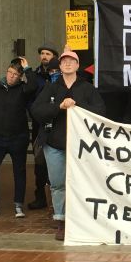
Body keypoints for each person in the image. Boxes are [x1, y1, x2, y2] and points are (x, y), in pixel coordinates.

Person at [30, 49, 106, 241]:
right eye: (64, 61)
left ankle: (83, 220)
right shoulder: (50, 87)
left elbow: (101, 112)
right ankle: (61, 221)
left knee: (83, 182)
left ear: (78, 65)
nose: (67, 63)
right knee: (57, 184)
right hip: (54, 144)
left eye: (72, 60)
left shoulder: (87, 88)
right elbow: (36, 111)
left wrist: (77, 105)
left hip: (82, 147)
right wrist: (59, 107)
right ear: (60, 66)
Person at [0, 60, 35, 219]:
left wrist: (27, 69)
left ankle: (19, 204)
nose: (11, 76)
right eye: (10, 72)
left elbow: (34, 86)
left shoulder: (23, 89)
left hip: (18, 137)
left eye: (16, 75)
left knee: (19, 171)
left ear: (20, 77)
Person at [27, 45, 59, 210]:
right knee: (39, 162)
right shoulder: (34, 75)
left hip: (57, 124)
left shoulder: (59, 75)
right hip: (39, 124)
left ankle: (57, 201)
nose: (44, 56)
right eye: (42, 54)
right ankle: (40, 197)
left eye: (48, 54)